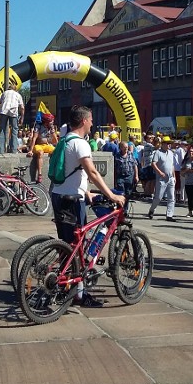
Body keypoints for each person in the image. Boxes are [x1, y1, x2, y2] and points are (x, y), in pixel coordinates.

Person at [50, 105, 125, 307]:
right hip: (73, 200)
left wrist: (87, 192)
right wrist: (110, 194)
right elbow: (92, 172)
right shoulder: (81, 144)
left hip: (60, 195)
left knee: (68, 246)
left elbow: (70, 172)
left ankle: (65, 288)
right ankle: (79, 295)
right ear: (84, 121)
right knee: (79, 249)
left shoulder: (64, 140)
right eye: (91, 119)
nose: (92, 123)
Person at [148, 136, 176, 221]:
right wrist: (159, 172)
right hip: (161, 178)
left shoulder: (171, 153)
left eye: (170, 144)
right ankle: (152, 210)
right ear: (163, 144)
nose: (169, 145)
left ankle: (169, 215)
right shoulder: (158, 152)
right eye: (167, 143)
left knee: (171, 197)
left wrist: (174, 176)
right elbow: (153, 164)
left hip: (170, 178)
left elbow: (172, 166)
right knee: (158, 197)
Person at [26, 113, 58, 182]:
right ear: (46, 122)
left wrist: (58, 146)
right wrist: (31, 150)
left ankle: (55, 170)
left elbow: (55, 140)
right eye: (51, 121)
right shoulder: (38, 126)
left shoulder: (51, 127)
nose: (52, 122)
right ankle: (39, 174)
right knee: (40, 153)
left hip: (46, 145)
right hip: (38, 145)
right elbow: (34, 138)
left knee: (56, 151)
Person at [0, 83, 24, 153]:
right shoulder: (18, 95)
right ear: (15, 89)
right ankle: (14, 149)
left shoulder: (4, 93)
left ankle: (1, 150)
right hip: (14, 112)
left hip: (4, 111)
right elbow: (22, 107)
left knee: (2, 130)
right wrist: (22, 117)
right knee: (14, 130)